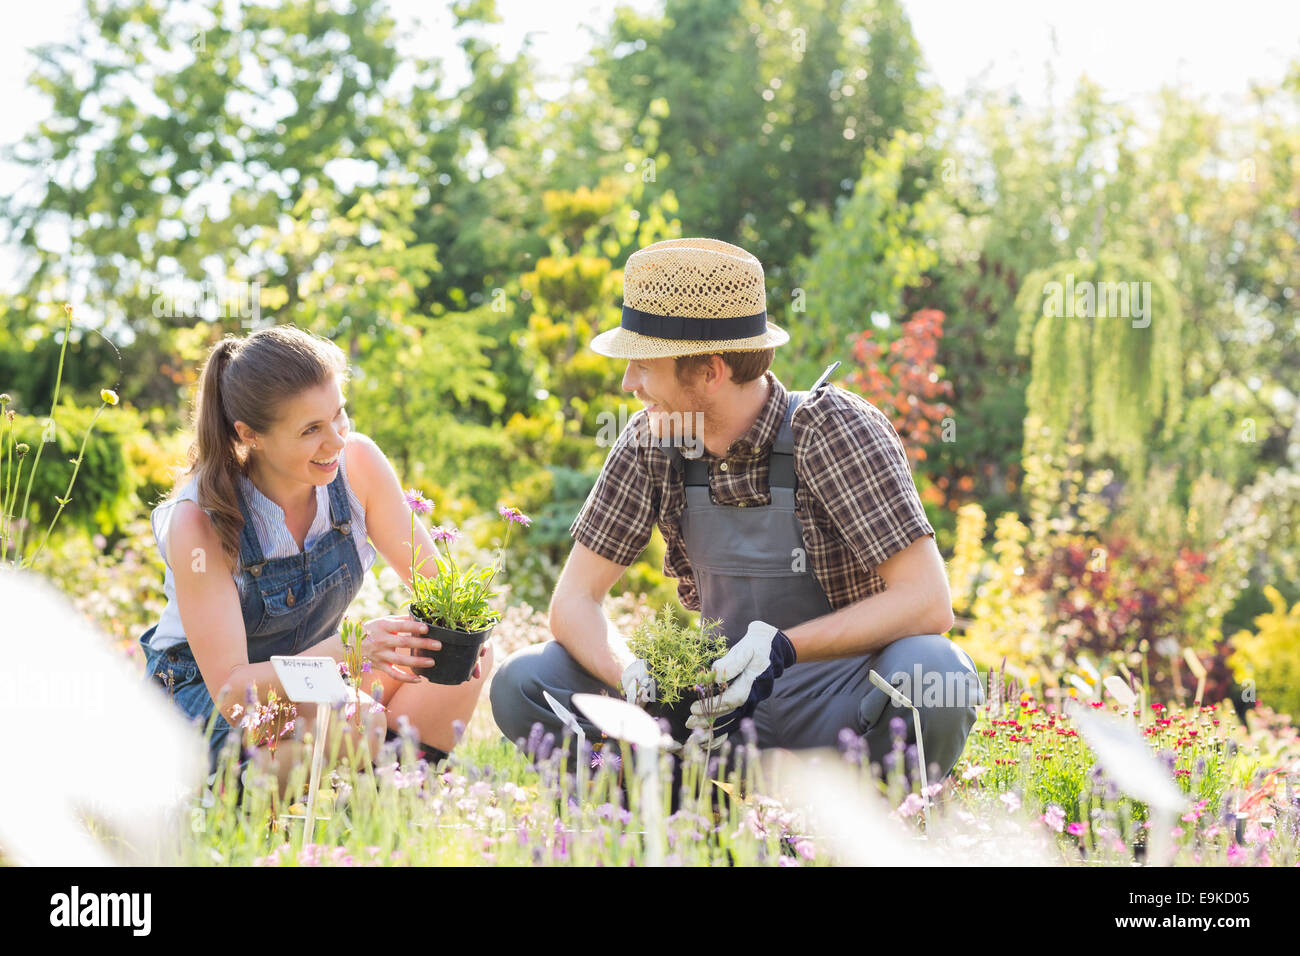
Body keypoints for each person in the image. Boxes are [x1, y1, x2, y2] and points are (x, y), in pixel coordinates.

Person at [491, 238, 982, 779]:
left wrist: (782, 648)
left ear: (709, 372)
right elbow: (574, 601)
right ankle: (677, 817)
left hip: (836, 702)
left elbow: (928, 600)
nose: (629, 384)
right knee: (525, 680)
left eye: (643, 364)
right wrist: (632, 673)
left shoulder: (833, 429)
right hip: (712, 708)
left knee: (939, 672)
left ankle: (858, 828)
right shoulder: (652, 438)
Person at [139, 325, 492, 785]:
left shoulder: (357, 466)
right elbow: (231, 691)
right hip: (206, 700)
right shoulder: (200, 521)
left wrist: (453, 635)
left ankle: (395, 789)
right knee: (354, 721)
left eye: (339, 415)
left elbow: (437, 587)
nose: (337, 442)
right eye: (311, 430)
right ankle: (235, 792)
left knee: (460, 658)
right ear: (251, 435)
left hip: (312, 678)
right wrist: (350, 650)